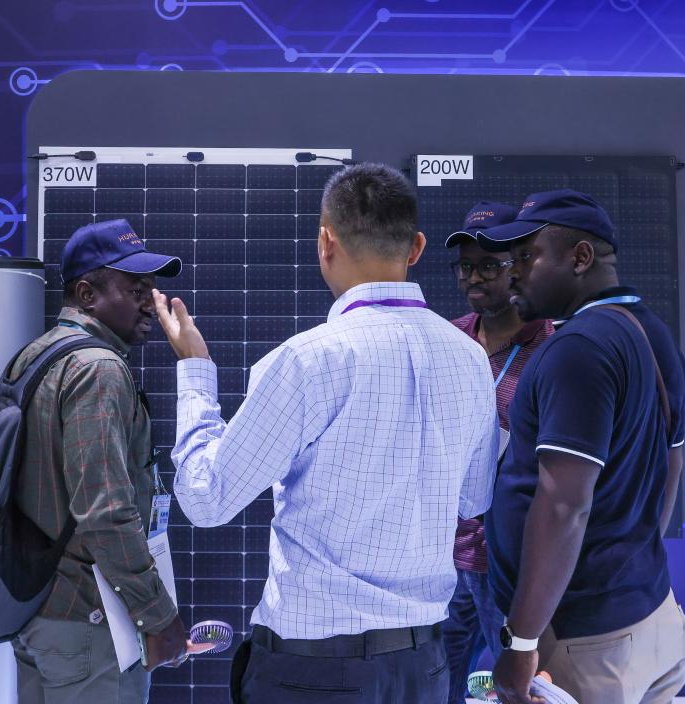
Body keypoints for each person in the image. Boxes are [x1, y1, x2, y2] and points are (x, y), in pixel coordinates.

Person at [153, 163, 500, 703]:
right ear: (416, 247)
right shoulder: (471, 360)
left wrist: (195, 370)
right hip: (423, 669)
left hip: (314, 671)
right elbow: (474, 499)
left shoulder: (307, 361)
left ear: (325, 243)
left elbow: (207, 499)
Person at [480, 190, 685, 704]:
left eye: (526, 256)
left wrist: (521, 642)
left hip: (585, 647)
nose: (512, 274)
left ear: (580, 258)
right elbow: (672, 461)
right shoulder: (651, 331)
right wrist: (627, 566)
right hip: (649, 619)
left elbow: (563, 505)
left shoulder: (577, 348)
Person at [8, 219, 188, 704]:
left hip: (39, 609)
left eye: (150, 289)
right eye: (135, 290)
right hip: (89, 622)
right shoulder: (99, 369)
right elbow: (105, 512)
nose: (150, 303)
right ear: (87, 294)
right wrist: (157, 615)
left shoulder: (35, 356)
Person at [441, 202, 554, 704]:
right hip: (439, 556)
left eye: (489, 265)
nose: (474, 277)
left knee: (519, 691)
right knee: (431, 688)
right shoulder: (446, 340)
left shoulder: (550, 348)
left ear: (520, 266)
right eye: (466, 266)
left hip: (508, 561)